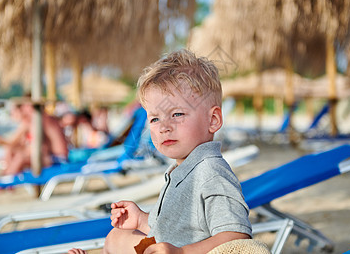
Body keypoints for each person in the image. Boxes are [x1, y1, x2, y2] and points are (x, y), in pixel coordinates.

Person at [71, 49, 252, 254]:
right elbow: (172, 231)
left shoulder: (211, 172)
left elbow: (237, 239)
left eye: (177, 114)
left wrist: (181, 252)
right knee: (118, 236)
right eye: (155, 119)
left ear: (213, 120)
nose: (164, 126)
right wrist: (140, 219)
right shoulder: (181, 169)